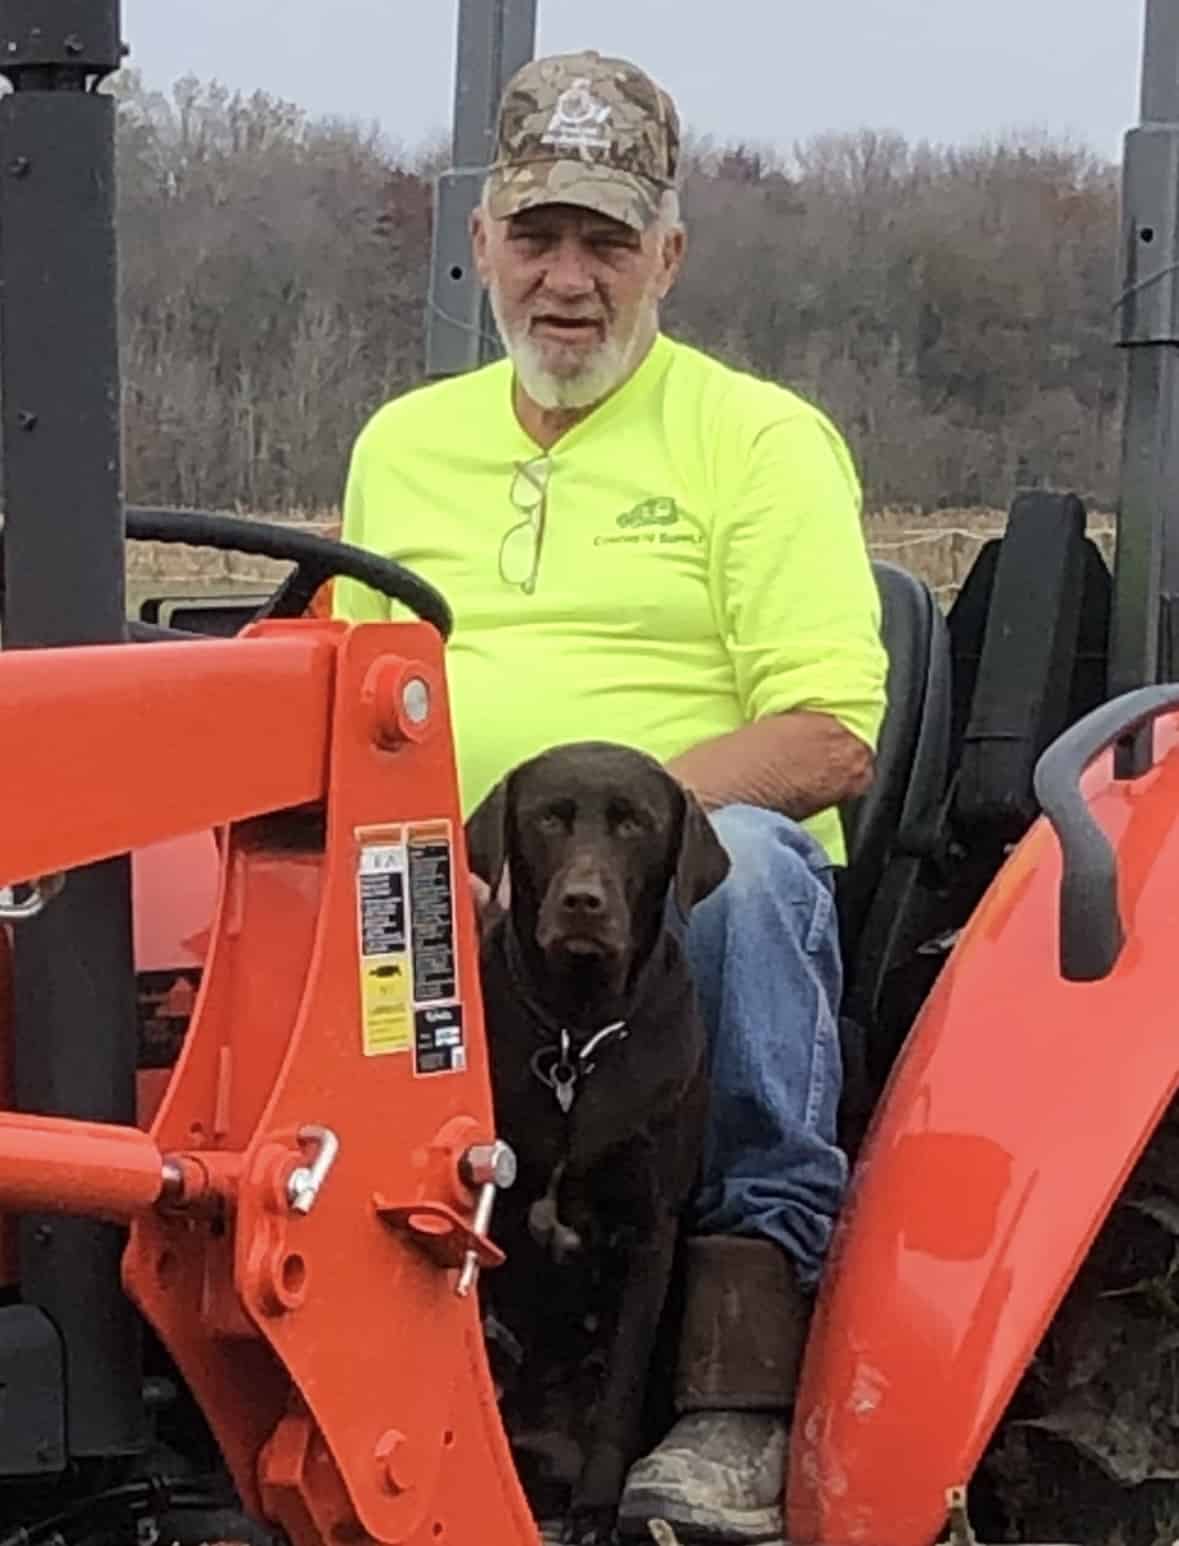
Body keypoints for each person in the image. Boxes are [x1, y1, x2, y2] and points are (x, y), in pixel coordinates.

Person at [333, 48, 888, 1544]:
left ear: (669, 258)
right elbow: (338, 694)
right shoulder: (403, 446)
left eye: (608, 241)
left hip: (674, 909)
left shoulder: (756, 440)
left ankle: (734, 1384)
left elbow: (832, 730)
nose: (568, 278)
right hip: (459, 892)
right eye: (539, 235)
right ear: (482, 247)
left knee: (759, 871)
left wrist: (582, 858)